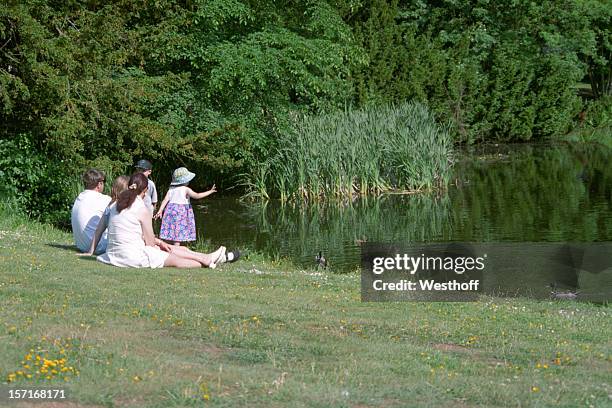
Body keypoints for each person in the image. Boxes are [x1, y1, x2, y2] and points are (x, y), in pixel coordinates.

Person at [83, 173, 235, 268]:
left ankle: (207, 258)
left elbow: (99, 229)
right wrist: (160, 244)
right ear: (144, 191)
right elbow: (149, 244)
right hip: (131, 257)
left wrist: (90, 252)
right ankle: (207, 260)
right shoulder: (141, 208)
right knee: (176, 259)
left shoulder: (114, 205)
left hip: (113, 255)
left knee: (172, 249)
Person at [154, 167, 215, 247]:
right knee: (178, 233)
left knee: (171, 230)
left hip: (170, 212)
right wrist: (210, 192)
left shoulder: (171, 190)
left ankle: (166, 247)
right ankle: (177, 250)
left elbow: (165, 200)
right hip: (181, 213)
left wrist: (160, 211)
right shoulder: (186, 189)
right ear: (185, 180)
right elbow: (197, 196)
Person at [84, 175, 129, 255]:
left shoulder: (109, 207)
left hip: (112, 250)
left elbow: (99, 230)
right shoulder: (131, 207)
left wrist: (90, 252)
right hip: (127, 249)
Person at [71, 169, 111, 254]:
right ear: (99, 184)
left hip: (81, 246)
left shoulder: (79, 197)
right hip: (99, 247)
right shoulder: (104, 199)